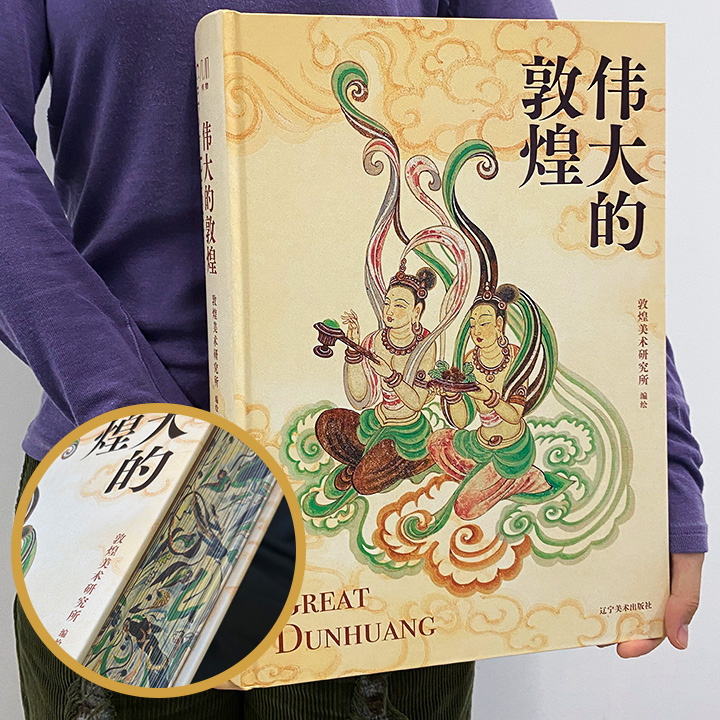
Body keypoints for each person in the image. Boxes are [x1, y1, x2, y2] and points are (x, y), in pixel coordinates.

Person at [0, 0, 706, 718]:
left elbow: (565, 129)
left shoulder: (433, 349)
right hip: (118, 487)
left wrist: (662, 461)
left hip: (368, 572)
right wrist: (132, 412)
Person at [316, 264, 438, 495]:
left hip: (406, 431)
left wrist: (390, 376)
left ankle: (411, 463)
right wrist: (353, 350)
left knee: (363, 483)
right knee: (327, 423)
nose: (389, 310)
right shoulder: (374, 341)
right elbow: (359, 397)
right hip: (376, 421)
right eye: (387, 303)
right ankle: (370, 461)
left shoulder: (425, 345)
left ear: (416, 311)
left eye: (399, 305)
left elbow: (416, 402)